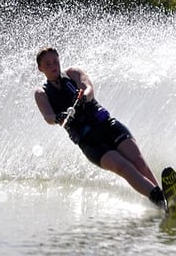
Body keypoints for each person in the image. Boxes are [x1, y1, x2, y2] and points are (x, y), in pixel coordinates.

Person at [34, 47, 166, 208]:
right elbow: (48, 117)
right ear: (40, 68)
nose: (53, 65)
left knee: (138, 162)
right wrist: (58, 117)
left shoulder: (73, 73)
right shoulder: (41, 93)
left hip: (107, 125)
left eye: (55, 61)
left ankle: (161, 197)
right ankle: (159, 198)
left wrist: (84, 97)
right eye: (47, 64)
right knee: (123, 167)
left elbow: (89, 88)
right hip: (89, 142)